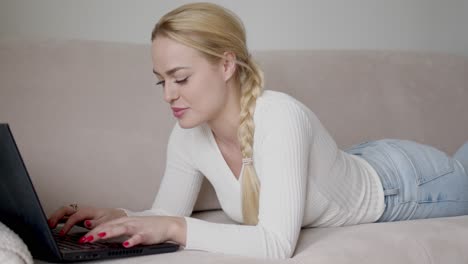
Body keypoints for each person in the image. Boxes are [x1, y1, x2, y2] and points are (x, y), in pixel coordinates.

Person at [47, 2, 468, 259]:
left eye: (180, 77)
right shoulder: (187, 136)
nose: (168, 95)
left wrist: (176, 229)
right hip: (360, 161)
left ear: (226, 65)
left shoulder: (279, 115)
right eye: (162, 80)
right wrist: (120, 218)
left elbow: (274, 246)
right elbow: (167, 214)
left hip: (406, 184)